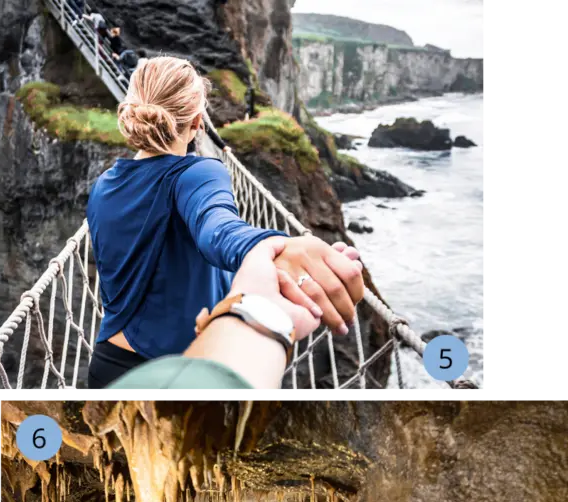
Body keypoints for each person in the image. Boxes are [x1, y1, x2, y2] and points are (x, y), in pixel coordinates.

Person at [86, 55, 364, 391]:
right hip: (177, 375)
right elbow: (218, 231)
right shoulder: (198, 171)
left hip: (106, 370)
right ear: (197, 122)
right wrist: (272, 247)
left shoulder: (104, 185)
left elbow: (176, 244)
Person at [103, 239, 360, 391]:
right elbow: (218, 225)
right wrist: (264, 249)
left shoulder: (106, 186)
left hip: (107, 355)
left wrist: (262, 302)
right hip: (154, 353)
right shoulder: (201, 173)